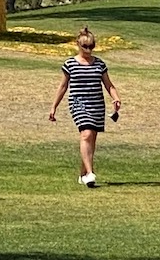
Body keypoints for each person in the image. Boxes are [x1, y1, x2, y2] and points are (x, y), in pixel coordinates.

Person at [49, 26, 122, 188]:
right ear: (78, 45)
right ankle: (90, 173)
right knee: (86, 134)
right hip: (78, 104)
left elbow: (109, 85)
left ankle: (83, 174)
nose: (89, 50)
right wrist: (54, 107)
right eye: (85, 47)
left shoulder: (99, 64)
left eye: (91, 46)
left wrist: (116, 98)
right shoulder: (70, 64)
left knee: (91, 139)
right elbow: (62, 87)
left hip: (97, 104)